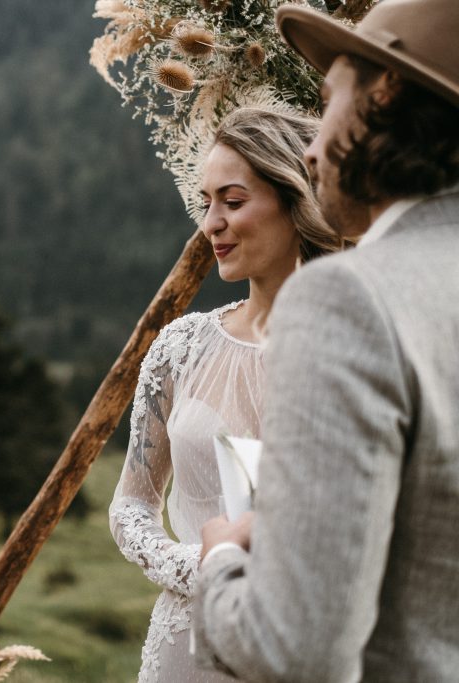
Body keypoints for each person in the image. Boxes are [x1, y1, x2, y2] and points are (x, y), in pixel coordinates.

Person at [192, 1, 459, 680]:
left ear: (384, 92)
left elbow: (296, 649)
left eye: (329, 97)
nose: (310, 147)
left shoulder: (350, 297)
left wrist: (221, 559)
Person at [109, 107, 341, 683]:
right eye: (207, 201)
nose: (211, 222)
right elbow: (131, 505)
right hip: (187, 646)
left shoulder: (354, 352)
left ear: (296, 199)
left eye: (233, 202)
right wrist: (200, 565)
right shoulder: (180, 348)